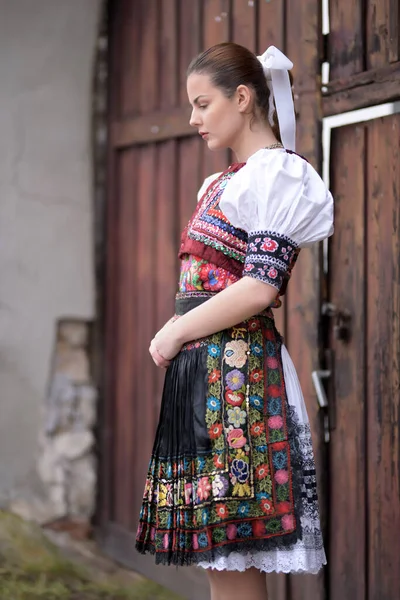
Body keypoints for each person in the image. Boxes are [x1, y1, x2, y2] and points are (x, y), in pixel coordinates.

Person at [136, 42, 334, 600]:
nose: (193, 119)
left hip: (240, 383)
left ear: (242, 98)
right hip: (211, 374)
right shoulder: (226, 180)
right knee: (220, 558)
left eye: (203, 104)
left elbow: (260, 286)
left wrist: (176, 329)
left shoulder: (277, 176)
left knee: (232, 554)